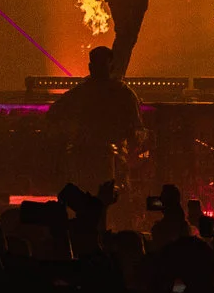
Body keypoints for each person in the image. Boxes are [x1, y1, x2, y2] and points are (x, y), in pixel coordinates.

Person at [45, 45, 142, 190]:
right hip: (103, 157)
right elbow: (136, 127)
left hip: (89, 158)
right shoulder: (122, 93)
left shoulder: (81, 92)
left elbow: (54, 114)